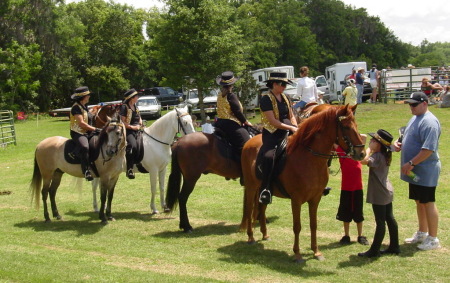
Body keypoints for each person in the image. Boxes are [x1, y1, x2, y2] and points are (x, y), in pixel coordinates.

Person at [394, 92, 441, 251]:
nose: (411, 107)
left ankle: (433, 239)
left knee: (427, 202)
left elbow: (428, 149)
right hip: (414, 170)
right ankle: (422, 232)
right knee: (419, 201)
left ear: (425, 103)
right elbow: (406, 136)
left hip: (425, 169)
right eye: (410, 104)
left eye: (414, 104)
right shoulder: (415, 118)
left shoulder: (430, 122)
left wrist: (412, 162)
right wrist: (398, 142)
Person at [358, 129, 399, 258]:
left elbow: (363, 161)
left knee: (380, 222)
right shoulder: (384, 155)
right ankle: (394, 246)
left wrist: (369, 149)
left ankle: (374, 250)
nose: (370, 141)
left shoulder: (377, 156)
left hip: (380, 194)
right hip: (387, 191)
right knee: (389, 218)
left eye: (373, 140)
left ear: (379, 144)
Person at [258, 72, 298, 204]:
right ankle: (266, 189)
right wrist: (291, 128)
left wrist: (295, 127)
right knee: (269, 157)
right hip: (273, 133)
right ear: (274, 84)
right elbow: (273, 121)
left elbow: (291, 115)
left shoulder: (285, 97)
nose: (285, 87)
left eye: (286, 84)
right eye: (283, 84)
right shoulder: (265, 99)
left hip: (289, 128)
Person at [334, 138, 369, 246]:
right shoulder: (341, 152)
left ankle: (360, 235)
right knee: (345, 213)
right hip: (346, 188)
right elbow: (333, 143)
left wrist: (354, 139)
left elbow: (363, 136)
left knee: (359, 213)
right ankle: (346, 235)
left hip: (358, 188)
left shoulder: (358, 154)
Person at [214, 71, 252, 154]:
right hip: (230, 124)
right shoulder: (231, 95)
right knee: (246, 144)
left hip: (219, 122)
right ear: (232, 84)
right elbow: (237, 111)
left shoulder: (220, 95)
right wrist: (245, 121)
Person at [69, 86, 98, 181]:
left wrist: (94, 110)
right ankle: (85, 170)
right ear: (83, 97)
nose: (89, 96)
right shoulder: (76, 108)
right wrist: (95, 129)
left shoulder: (83, 105)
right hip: (78, 132)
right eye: (88, 95)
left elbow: (87, 115)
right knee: (85, 147)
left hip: (86, 131)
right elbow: (81, 124)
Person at [120, 88, 143, 179]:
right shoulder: (124, 107)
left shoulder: (135, 106)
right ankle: (129, 169)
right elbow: (122, 122)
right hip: (128, 130)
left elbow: (139, 117)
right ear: (131, 98)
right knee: (132, 146)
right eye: (136, 96)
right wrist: (132, 127)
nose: (138, 97)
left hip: (138, 129)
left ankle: (140, 162)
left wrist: (140, 123)